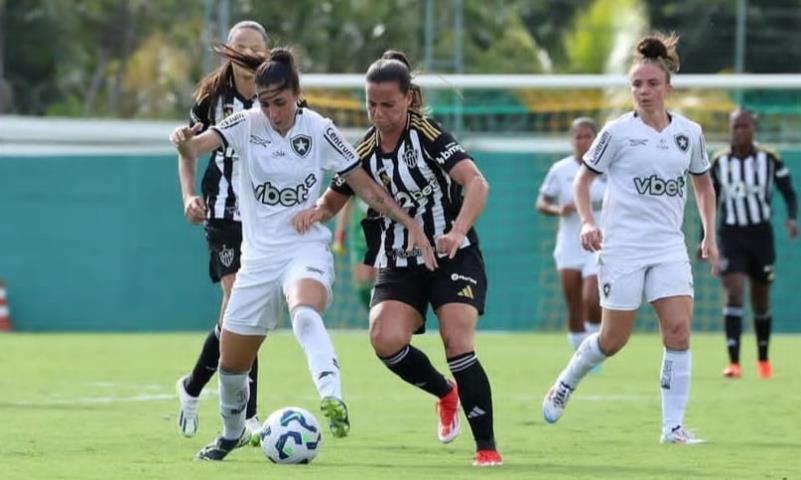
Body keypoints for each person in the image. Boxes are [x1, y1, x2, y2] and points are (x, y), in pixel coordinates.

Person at [170, 46, 435, 461]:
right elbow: (197, 147)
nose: (272, 112)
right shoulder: (244, 123)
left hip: (303, 247)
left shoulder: (319, 129)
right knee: (231, 365)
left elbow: (364, 186)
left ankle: (332, 396)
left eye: (280, 102)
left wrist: (410, 222)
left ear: (296, 93)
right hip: (258, 259)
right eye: (264, 103)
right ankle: (231, 434)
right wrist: (184, 144)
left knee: (304, 311)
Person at [303, 50, 503, 467]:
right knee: (384, 339)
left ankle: (486, 447)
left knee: (457, 339)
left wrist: (456, 231)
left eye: (388, 105)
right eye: (371, 104)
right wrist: (310, 214)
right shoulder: (363, 150)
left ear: (409, 98)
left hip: (451, 256)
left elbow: (477, 183)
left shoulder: (429, 135)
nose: (378, 114)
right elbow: (332, 201)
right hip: (398, 259)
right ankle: (445, 393)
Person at [541, 33, 719, 445]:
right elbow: (583, 182)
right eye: (637, 84)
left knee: (678, 330)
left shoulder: (689, 133)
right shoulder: (616, 132)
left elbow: (703, 186)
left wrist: (709, 234)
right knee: (612, 340)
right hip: (623, 248)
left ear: (668, 86)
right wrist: (588, 223)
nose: (643, 90)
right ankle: (566, 381)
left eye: (652, 83)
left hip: (668, 247)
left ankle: (672, 428)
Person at [174, 20, 269, 442]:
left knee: (248, 310)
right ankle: (249, 414)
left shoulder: (279, 92)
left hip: (265, 215)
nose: (247, 54)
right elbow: (188, 148)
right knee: (242, 303)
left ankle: (192, 385)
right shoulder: (210, 97)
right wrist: (188, 195)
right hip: (225, 211)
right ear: (228, 52)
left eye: (255, 48)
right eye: (239, 47)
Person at [709, 109, 798, 379]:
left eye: (745, 126)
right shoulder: (719, 161)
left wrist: (792, 218)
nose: (740, 131)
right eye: (735, 126)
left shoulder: (770, 158)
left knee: (760, 299)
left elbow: (789, 192)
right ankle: (734, 363)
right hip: (731, 235)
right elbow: (710, 200)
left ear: (754, 129)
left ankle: (763, 360)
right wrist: (706, 235)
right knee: (734, 292)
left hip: (761, 236)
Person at [537, 117, 605, 351]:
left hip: (599, 244)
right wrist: (558, 209)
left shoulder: (608, 167)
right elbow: (542, 202)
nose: (583, 141)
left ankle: (594, 346)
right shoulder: (560, 169)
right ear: (571, 140)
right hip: (569, 244)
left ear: (596, 139)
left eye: (588, 136)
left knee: (592, 298)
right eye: (578, 136)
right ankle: (581, 354)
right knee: (574, 303)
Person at [332, 197, 377, 310]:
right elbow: (345, 204)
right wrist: (340, 235)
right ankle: (373, 315)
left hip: (387, 235)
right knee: (363, 281)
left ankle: (386, 316)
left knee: (383, 281)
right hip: (360, 236)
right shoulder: (355, 184)